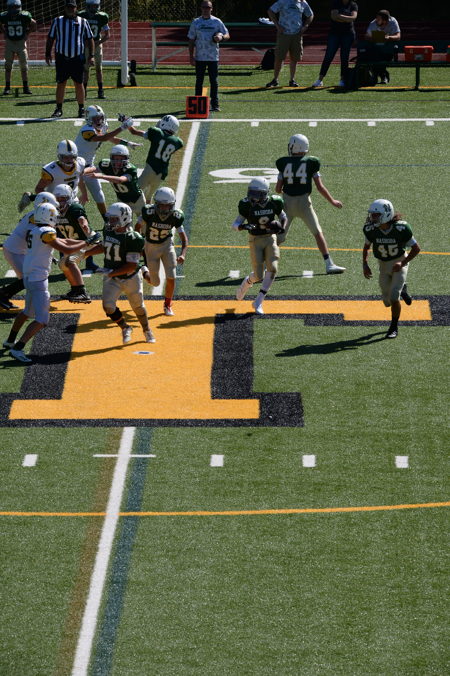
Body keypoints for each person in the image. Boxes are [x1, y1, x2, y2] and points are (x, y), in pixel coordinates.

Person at [2, 203, 100, 364]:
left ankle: (10, 340)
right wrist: (87, 242)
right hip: (38, 279)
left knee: (27, 312)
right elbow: (66, 249)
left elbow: (64, 241)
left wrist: (85, 241)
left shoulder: (36, 230)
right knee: (42, 320)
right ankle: (18, 348)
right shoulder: (46, 232)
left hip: (29, 276)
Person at [275, 133, 345, 274]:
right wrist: (332, 201)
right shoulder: (311, 162)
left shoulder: (283, 163)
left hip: (288, 204)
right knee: (317, 233)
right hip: (304, 204)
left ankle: (265, 266)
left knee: (278, 238)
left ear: (294, 147)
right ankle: (329, 264)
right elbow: (320, 187)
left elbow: (277, 189)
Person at [86, 202, 155, 344]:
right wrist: (85, 254)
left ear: (124, 218)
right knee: (108, 306)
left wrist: (111, 273)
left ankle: (147, 330)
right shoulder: (109, 230)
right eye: (110, 218)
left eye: (114, 219)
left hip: (130, 277)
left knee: (138, 307)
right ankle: (125, 327)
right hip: (112, 277)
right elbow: (105, 246)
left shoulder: (133, 238)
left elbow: (131, 265)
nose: (111, 222)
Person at [363, 199, 420, 339]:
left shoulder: (401, 229)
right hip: (383, 265)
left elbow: (416, 248)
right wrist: (365, 263)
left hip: (399, 262)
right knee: (387, 302)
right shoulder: (371, 230)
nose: (372, 218)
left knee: (394, 297)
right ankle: (403, 288)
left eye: (376, 215)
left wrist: (403, 262)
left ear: (386, 214)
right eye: (372, 215)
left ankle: (393, 327)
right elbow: (366, 247)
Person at [233, 178, 286, 315]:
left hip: (270, 238)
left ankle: (258, 301)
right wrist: (243, 226)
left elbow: (283, 217)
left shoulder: (274, 202)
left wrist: (281, 228)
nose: (253, 197)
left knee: (273, 268)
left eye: (257, 194)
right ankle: (247, 282)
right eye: (252, 193)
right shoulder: (246, 205)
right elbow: (235, 224)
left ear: (265, 193)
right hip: (255, 239)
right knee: (258, 276)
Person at [74, 106, 139, 217]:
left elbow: (111, 138)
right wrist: (122, 127)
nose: (99, 121)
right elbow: (103, 138)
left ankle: (106, 220)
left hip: (89, 166)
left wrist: (127, 143)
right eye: (95, 119)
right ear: (89, 119)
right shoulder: (86, 130)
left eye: (100, 117)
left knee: (99, 195)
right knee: (70, 195)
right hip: (75, 166)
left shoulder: (104, 126)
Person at [0, 192, 58, 311]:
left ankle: (5, 296)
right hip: (15, 251)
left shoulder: (36, 214)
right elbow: (30, 236)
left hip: (18, 250)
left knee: (28, 279)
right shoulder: (36, 217)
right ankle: (3, 295)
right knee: (28, 279)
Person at [136, 187, 188, 317]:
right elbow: (137, 227)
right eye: (161, 205)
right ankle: (144, 271)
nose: (164, 209)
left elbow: (183, 238)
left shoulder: (176, 216)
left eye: (167, 205)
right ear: (156, 203)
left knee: (172, 276)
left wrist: (183, 254)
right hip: (151, 247)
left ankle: (167, 305)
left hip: (166, 245)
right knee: (155, 282)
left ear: (172, 204)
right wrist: (138, 243)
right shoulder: (149, 212)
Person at [45, 0, 94, 119]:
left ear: (76, 8)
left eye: (72, 7)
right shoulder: (57, 21)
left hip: (77, 57)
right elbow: (51, 38)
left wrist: (91, 55)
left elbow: (90, 38)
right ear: (65, 8)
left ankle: (81, 109)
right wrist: (47, 53)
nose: (70, 9)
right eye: (68, 7)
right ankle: (59, 108)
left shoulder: (83, 21)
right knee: (61, 83)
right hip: (62, 57)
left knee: (79, 83)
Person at [53, 183, 94, 303]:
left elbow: (81, 218)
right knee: (62, 265)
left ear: (70, 197)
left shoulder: (75, 208)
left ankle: (82, 292)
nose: (60, 202)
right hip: (73, 243)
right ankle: (75, 289)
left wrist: (84, 224)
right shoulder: (53, 210)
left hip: (86, 240)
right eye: (58, 199)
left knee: (70, 261)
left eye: (63, 199)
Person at [129, 115, 184, 203]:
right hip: (161, 175)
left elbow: (134, 132)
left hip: (149, 170)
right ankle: (147, 211)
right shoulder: (177, 142)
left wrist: (127, 124)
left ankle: (129, 210)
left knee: (133, 194)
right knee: (148, 197)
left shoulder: (156, 133)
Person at [188, 1, 230, 112]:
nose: (206, 9)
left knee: (214, 81)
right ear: (201, 8)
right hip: (200, 57)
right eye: (204, 7)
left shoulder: (217, 21)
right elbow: (191, 40)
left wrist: (221, 37)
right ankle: (197, 104)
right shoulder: (196, 22)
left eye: (208, 7)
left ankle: (215, 104)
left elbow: (227, 34)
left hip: (213, 57)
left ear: (212, 8)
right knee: (199, 81)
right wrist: (191, 56)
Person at [266, 0, 314, 88]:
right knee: (279, 58)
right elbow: (270, 11)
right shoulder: (283, 1)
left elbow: (310, 15)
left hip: (297, 34)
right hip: (284, 34)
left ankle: (292, 80)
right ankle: (275, 80)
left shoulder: (303, 2)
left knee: (294, 58)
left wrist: (305, 26)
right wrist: (277, 25)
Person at [88, 144, 146, 217]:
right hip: (122, 200)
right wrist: (83, 171)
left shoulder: (130, 169)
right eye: (116, 159)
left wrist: (101, 176)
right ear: (111, 158)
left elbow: (120, 180)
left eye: (121, 159)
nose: (118, 161)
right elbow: (94, 168)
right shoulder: (107, 165)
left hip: (137, 200)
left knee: (144, 222)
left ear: (126, 158)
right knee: (123, 223)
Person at [312, 0, 358, 88]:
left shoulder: (353, 5)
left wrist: (339, 16)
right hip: (334, 33)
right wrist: (346, 19)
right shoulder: (336, 3)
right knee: (328, 56)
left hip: (348, 34)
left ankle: (342, 80)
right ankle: (320, 80)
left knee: (344, 57)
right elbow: (333, 17)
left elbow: (353, 18)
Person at [0, 0, 36, 95]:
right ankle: (7, 87)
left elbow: (34, 23)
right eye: (12, 7)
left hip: (20, 43)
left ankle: (26, 87)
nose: (14, 9)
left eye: (15, 7)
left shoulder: (24, 15)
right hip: (10, 42)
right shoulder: (5, 16)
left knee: (24, 66)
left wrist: (27, 33)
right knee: (8, 66)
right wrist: (4, 32)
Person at [78, 0, 109, 99]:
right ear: (87, 6)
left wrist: (98, 43)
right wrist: (83, 42)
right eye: (92, 6)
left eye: (95, 6)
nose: (94, 8)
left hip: (96, 44)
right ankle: (84, 91)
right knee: (85, 69)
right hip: (85, 45)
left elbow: (107, 35)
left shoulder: (102, 17)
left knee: (98, 69)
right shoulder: (81, 16)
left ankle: (100, 90)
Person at [364, 9, 401, 84]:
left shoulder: (393, 21)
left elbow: (398, 36)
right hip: (376, 48)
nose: (376, 20)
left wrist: (388, 37)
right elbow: (366, 36)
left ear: (385, 21)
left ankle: (378, 76)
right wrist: (374, 38)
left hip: (388, 48)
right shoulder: (373, 23)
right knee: (372, 56)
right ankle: (381, 76)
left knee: (381, 58)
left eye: (379, 19)